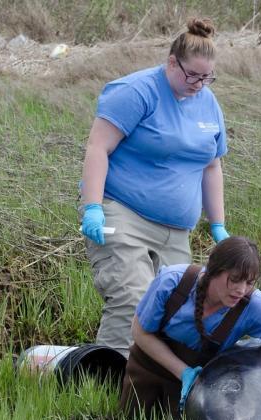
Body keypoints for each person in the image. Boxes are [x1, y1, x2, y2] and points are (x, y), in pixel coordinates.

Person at [79, 17, 230, 358]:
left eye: (207, 77)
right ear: (171, 62)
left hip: (176, 228)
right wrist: (93, 207)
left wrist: (217, 224)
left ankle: (155, 386)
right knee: (131, 298)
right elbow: (97, 148)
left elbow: (211, 165)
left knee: (175, 307)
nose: (198, 84)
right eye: (192, 75)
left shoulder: (208, 102)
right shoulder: (136, 92)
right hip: (121, 211)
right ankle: (114, 383)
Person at [120, 236, 261, 420]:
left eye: (249, 282)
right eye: (234, 279)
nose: (241, 290)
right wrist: (183, 372)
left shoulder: (254, 306)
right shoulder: (173, 282)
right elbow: (140, 332)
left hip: (195, 388)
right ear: (214, 269)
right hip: (146, 371)